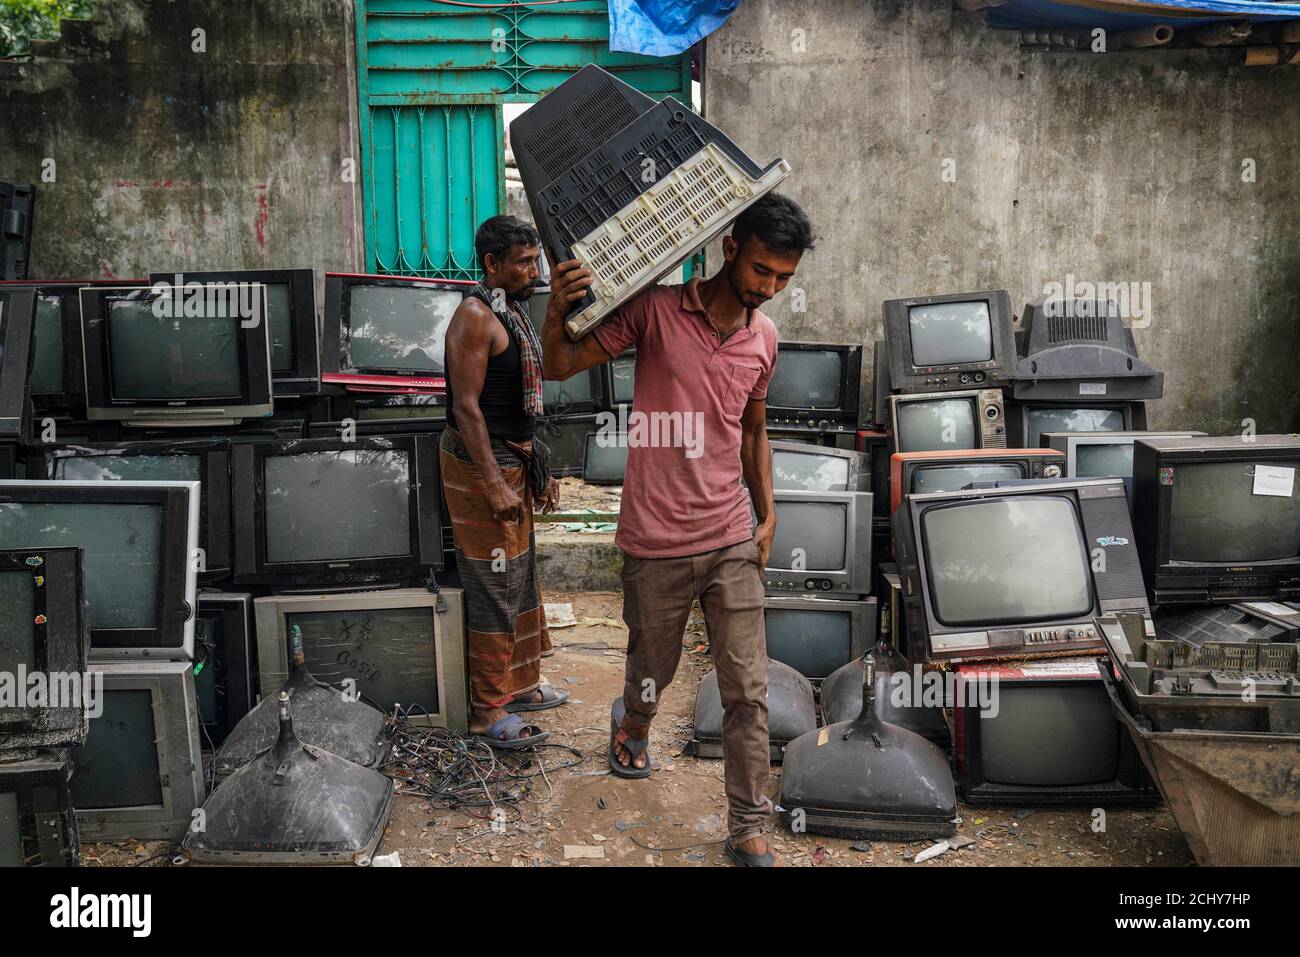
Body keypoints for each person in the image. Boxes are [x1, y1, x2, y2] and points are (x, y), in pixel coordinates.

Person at [539, 194, 814, 866]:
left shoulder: (764, 338)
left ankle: (749, 823)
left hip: (729, 537)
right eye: (760, 270)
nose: (768, 288)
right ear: (728, 247)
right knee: (651, 671)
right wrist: (555, 307)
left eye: (783, 278)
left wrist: (768, 510)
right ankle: (633, 720)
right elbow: (557, 364)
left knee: (746, 689)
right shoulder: (655, 309)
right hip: (655, 539)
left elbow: (753, 429)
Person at [442, 214, 568, 749]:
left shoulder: (507, 309)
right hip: (482, 465)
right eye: (522, 262)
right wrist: (494, 483)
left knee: (518, 579)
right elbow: (466, 408)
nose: (533, 270)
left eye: (535, 259)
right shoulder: (475, 316)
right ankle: (485, 711)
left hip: (511, 461)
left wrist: (532, 467)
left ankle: (516, 686)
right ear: (491, 264)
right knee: (494, 586)